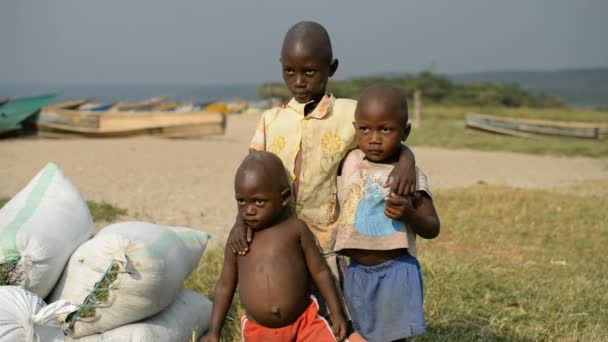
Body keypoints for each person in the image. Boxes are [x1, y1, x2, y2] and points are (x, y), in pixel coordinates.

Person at [228, 19, 417, 278]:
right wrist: (240, 222)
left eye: (309, 71)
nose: (298, 82)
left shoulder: (349, 113)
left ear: (331, 68)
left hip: (325, 240)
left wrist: (408, 162)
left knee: (330, 305)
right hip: (276, 234)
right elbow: (251, 180)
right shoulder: (270, 120)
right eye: (289, 71)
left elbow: (390, 142)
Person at [201, 151, 347, 342]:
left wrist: (337, 313)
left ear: (285, 198)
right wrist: (214, 331)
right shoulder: (239, 238)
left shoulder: (295, 230)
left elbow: (320, 272)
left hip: (305, 323)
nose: (249, 210)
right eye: (241, 202)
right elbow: (225, 285)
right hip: (259, 331)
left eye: (259, 201)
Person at [334, 84, 440, 342]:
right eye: (365, 129)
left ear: (405, 132)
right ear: (355, 128)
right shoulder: (350, 160)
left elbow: (432, 226)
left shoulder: (411, 176)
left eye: (386, 129)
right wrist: (407, 155)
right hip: (356, 271)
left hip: (395, 271)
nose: (374, 138)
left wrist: (410, 215)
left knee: (394, 338)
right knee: (359, 334)